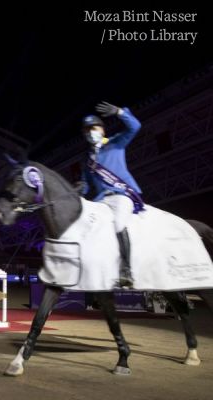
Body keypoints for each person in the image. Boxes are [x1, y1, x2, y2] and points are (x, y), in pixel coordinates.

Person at [78, 101, 143, 289]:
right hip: (100, 200)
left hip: (122, 194)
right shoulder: (87, 161)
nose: (91, 131)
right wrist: (79, 187)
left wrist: (120, 112)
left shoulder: (116, 143)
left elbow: (135, 126)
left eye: (94, 127)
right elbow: (86, 186)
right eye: (87, 130)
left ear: (102, 129)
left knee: (119, 223)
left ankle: (127, 270)